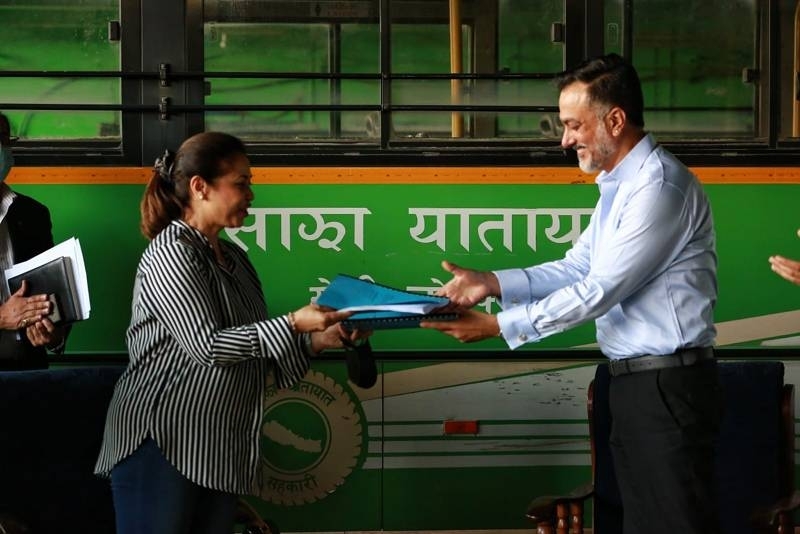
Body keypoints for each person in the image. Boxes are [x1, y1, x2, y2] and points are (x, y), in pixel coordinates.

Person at [422, 54, 721, 534]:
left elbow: (600, 289)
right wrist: (492, 282)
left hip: (665, 389)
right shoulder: (620, 187)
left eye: (573, 125)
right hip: (636, 386)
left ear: (615, 120)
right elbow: (578, 267)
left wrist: (499, 325)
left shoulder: (659, 188)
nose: (565, 140)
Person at [94, 131, 366, 534]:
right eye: (241, 183)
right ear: (200, 187)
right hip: (164, 440)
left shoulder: (235, 258)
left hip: (217, 448)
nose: (251, 194)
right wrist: (293, 322)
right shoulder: (172, 252)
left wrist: (317, 339)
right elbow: (208, 346)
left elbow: (250, 349)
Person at [0, 111, 67, 368]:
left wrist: (54, 335)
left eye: (4, 139)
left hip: (29, 374)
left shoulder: (33, 214)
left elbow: (52, 293)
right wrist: (2, 317)